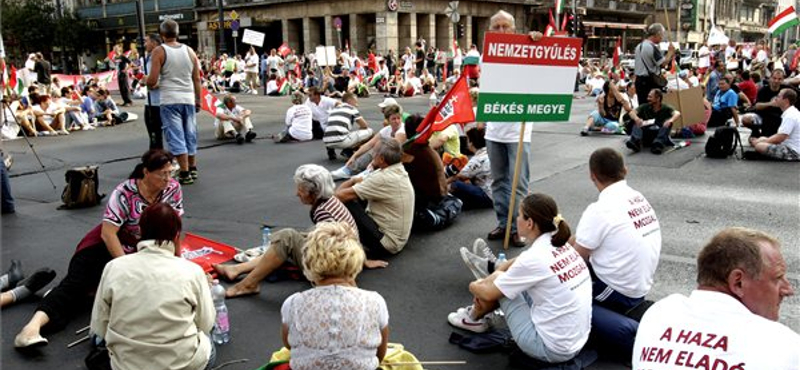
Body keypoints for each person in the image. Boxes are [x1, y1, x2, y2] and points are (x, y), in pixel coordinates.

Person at [14, 149, 183, 348]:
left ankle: (82, 292)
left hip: (141, 251)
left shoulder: (173, 189)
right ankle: (31, 329)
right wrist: (126, 267)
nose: (167, 178)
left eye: (170, 173)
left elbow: (174, 229)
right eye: (162, 174)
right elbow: (108, 233)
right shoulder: (125, 192)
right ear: (146, 172)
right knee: (73, 288)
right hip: (104, 247)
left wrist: (178, 264)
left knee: (110, 295)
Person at [450, 193, 592, 363]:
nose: (516, 218)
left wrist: (477, 283)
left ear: (530, 223)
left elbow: (488, 293)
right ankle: (482, 298)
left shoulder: (534, 257)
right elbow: (519, 260)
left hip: (550, 349)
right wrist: (498, 272)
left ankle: (473, 318)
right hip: (576, 342)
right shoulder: (560, 245)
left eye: (519, 215)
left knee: (497, 289)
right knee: (504, 280)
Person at [632, 227, 798, 369]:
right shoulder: (782, 343)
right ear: (738, 282)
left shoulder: (659, 313)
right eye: (777, 278)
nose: (788, 289)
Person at [213, 164, 387, 297]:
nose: (297, 193)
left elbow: (333, 248)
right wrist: (363, 260)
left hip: (334, 264)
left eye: (300, 189)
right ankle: (238, 270)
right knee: (287, 240)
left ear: (313, 192)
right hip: (348, 254)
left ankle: (247, 284)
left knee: (286, 238)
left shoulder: (324, 211)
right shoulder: (330, 201)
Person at [90, 203, 215, 370]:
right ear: (177, 236)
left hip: (126, 365)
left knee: (96, 339)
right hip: (182, 364)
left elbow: (99, 325)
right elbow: (206, 324)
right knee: (209, 343)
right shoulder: (192, 272)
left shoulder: (114, 267)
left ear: (140, 232)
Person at [571, 148, 661, 356]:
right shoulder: (636, 197)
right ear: (625, 170)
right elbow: (584, 239)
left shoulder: (600, 209)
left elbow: (576, 259)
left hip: (618, 291)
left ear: (592, 175)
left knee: (559, 283)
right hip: (638, 284)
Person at [280, 222, 389, 370]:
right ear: (355, 259)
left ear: (309, 261)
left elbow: (289, 344)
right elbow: (379, 354)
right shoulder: (375, 301)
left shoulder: (292, 303)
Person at [483, 10, 543, 247]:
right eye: (496, 27)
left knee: (518, 183)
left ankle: (519, 229)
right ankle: (502, 223)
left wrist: (537, 43)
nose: (500, 31)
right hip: (494, 130)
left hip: (519, 130)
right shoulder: (486, 56)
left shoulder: (526, 50)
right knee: (498, 181)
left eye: (504, 26)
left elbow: (544, 72)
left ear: (513, 29)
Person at [335, 138, 414, 257]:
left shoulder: (382, 178)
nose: (372, 155)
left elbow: (338, 196)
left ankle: (335, 241)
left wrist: (351, 180)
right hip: (397, 238)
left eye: (374, 153)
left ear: (382, 159)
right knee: (356, 195)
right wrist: (355, 181)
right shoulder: (396, 169)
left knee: (345, 203)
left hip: (386, 244)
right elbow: (362, 183)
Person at [146, 19, 203, 185]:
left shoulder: (159, 51)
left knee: (176, 135)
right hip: (188, 98)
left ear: (162, 35)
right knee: (190, 133)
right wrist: (197, 99)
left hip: (170, 100)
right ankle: (192, 168)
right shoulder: (190, 51)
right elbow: (197, 79)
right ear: (177, 33)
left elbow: (153, 80)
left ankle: (184, 172)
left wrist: (145, 80)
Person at [330, 104, 407, 180]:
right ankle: (349, 169)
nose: (397, 121)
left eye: (398, 118)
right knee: (372, 147)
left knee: (378, 147)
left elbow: (393, 150)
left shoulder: (401, 131)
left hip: (400, 159)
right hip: (390, 158)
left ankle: (363, 170)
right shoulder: (387, 129)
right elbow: (369, 144)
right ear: (388, 120)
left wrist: (374, 162)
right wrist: (354, 156)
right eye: (393, 119)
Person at [748, 88, 800, 161]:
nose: (776, 98)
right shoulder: (791, 112)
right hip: (788, 145)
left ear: (786, 101)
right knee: (762, 138)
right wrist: (762, 140)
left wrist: (760, 142)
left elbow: (780, 137)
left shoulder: (790, 116)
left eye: (778, 96)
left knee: (759, 146)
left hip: (793, 151)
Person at [448, 127, 493, 210]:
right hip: (498, 194)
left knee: (455, 184)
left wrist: (443, 183)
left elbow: (460, 176)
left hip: (488, 196)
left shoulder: (477, 159)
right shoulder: (490, 152)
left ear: (471, 143)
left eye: (468, 140)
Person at [625, 88, 681, 154]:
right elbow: (632, 113)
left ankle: (657, 144)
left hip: (659, 133)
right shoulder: (644, 106)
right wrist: (637, 119)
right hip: (646, 132)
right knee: (635, 122)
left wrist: (670, 120)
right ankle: (634, 142)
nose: (648, 98)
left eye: (650, 97)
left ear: (658, 98)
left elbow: (677, 113)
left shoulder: (665, 107)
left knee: (668, 124)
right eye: (648, 96)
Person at [322, 93, 374, 161]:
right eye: (355, 101)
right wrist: (361, 129)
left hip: (327, 140)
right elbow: (364, 125)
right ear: (350, 100)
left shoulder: (334, 109)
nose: (357, 103)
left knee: (335, 129)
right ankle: (348, 150)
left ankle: (331, 151)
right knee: (370, 131)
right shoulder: (352, 108)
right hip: (341, 141)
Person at [633, 23, 675, 105]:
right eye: (661, 35)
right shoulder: (652, 47)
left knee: (643, 105)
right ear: (657, 34)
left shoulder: (639, 46)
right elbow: (663, 64)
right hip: (650, 82)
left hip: (639, 81)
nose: (662, 38)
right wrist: (670, 53)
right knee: (652, 106)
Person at [742, 69, 788, 138]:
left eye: (779, 79)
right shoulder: (763, 90)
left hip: (782, 117)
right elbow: (757, 106)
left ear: (783, 80)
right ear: (770, 78)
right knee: (746, 119)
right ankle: (755, 131)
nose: (776, 81)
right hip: (764, 116)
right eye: (774, 78)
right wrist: (771, 103)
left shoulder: (788, 90)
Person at [143, 33, 163, 149]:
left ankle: (160, 155)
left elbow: (158, 80)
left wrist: (150, 81)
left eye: (147, 41)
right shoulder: (148, 57)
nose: (145, 44)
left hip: (159, 101)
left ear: (154, 43)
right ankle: (155, 153)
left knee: (157, 131)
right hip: (150, 100)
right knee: (152, 131)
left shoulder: (159, 56)